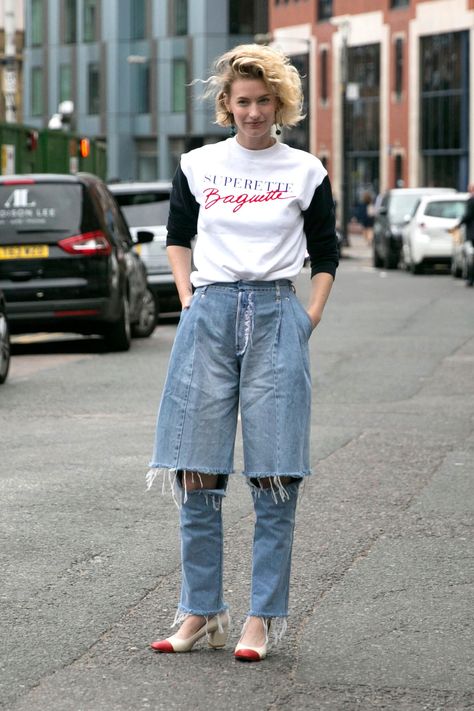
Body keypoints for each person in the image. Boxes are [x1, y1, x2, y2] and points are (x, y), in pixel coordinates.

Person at [146, 43, 339, 662]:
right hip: (210, 312)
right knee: (196, 468)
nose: (253, 112)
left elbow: (325, 252)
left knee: (274, 474)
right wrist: (188, 298)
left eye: (264, 101)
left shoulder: (305, 170)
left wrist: (307, 317)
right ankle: (200, 610)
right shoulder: (199, 165)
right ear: (226, 105)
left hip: (278, 313)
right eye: (242, 101)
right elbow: (178, 237)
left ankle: (260, 618)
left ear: (281, 103)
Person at [454, 184, 474, 287]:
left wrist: (458, 224)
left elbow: (468, 215)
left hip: (472, 235)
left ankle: (470, 279)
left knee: (470, 257)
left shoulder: (471, 201)